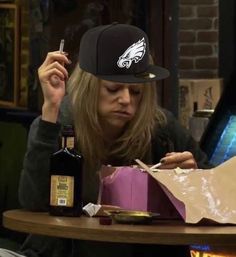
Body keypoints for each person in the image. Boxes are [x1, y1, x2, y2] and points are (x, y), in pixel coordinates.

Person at [0, 23, 212, 257]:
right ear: (89, 86)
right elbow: (34, 202)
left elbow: (218, 198)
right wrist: (50, 109)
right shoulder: (59, 123)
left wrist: (194, 181)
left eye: (136, 92)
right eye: (113, 88)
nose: (125, 99)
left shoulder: (161, 129)